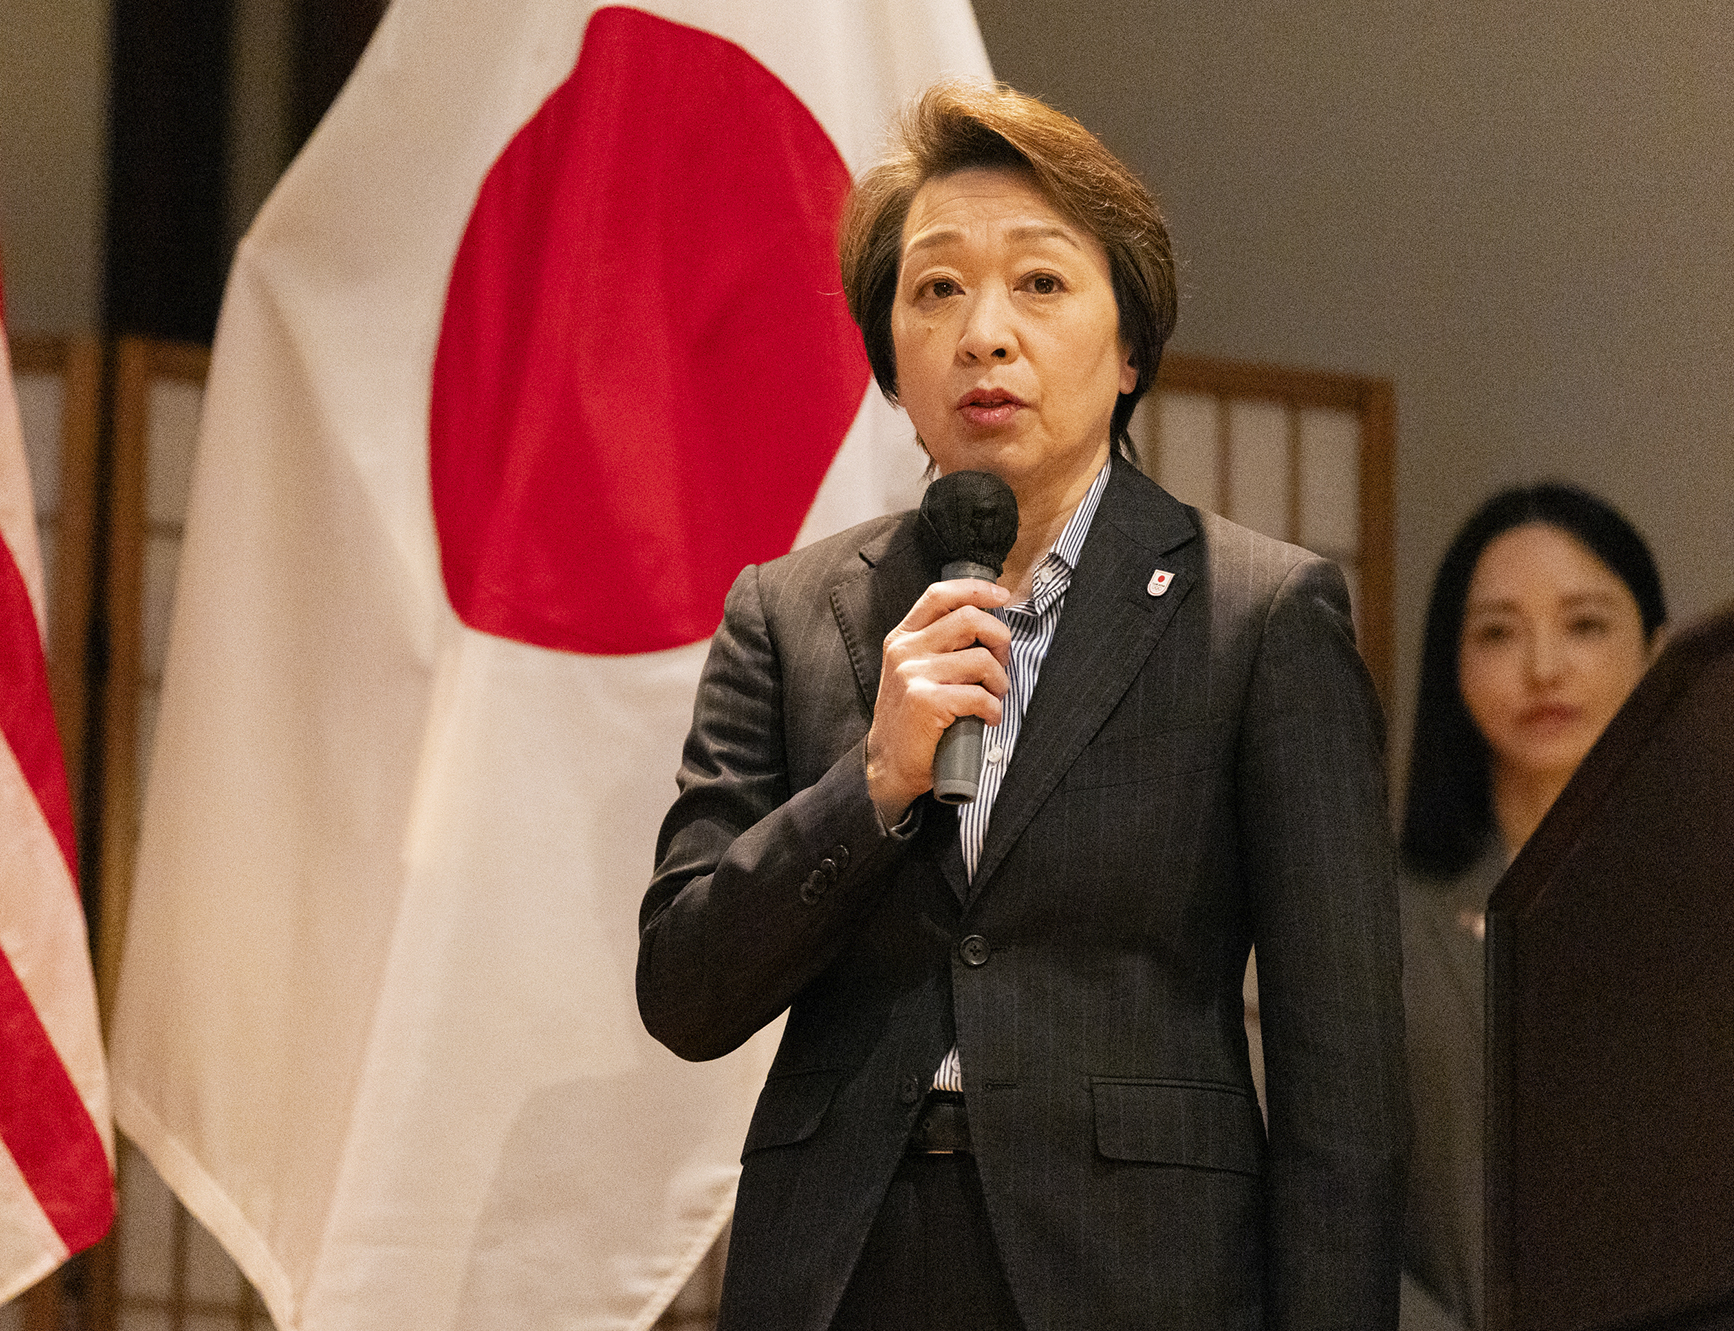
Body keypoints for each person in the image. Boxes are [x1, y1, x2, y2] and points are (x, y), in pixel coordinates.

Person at [637, 81, 1407, 1331]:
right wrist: (871, 783)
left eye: (1039, 283)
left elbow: (1344, 1086)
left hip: (1137, 1273)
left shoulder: (1255, 615)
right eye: (936, 289)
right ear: (890, 364)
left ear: (1129, 348)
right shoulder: (788, 611)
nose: (982, 333)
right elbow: (683, 985)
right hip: (840, 1272)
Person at [1397, 483, 1666, 1330]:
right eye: (1498, 632)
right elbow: (1327, 1204)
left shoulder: (1706, 895)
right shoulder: (1382, 917)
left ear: (1658, 650)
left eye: (1584, 624)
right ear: (1453, 664)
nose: (1544, 666)